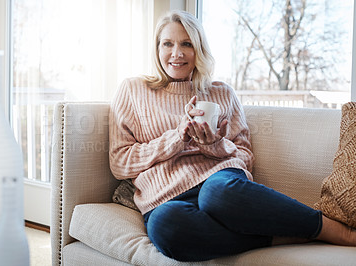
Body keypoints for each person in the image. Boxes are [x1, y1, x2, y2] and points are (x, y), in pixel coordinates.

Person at [109, 10, 356, 262]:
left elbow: (245, 156)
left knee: (215, 193)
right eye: (168, 44)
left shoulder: (222, 93)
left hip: (221, 185)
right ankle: (284, 235)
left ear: (199, 50)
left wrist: (213, 144)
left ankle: (334, 229)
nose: (177, 53)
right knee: (165, 226)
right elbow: (120, 162)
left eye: (187, 44)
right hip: (165, 197)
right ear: (157, 49)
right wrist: (175, 139)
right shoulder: (132, 90)